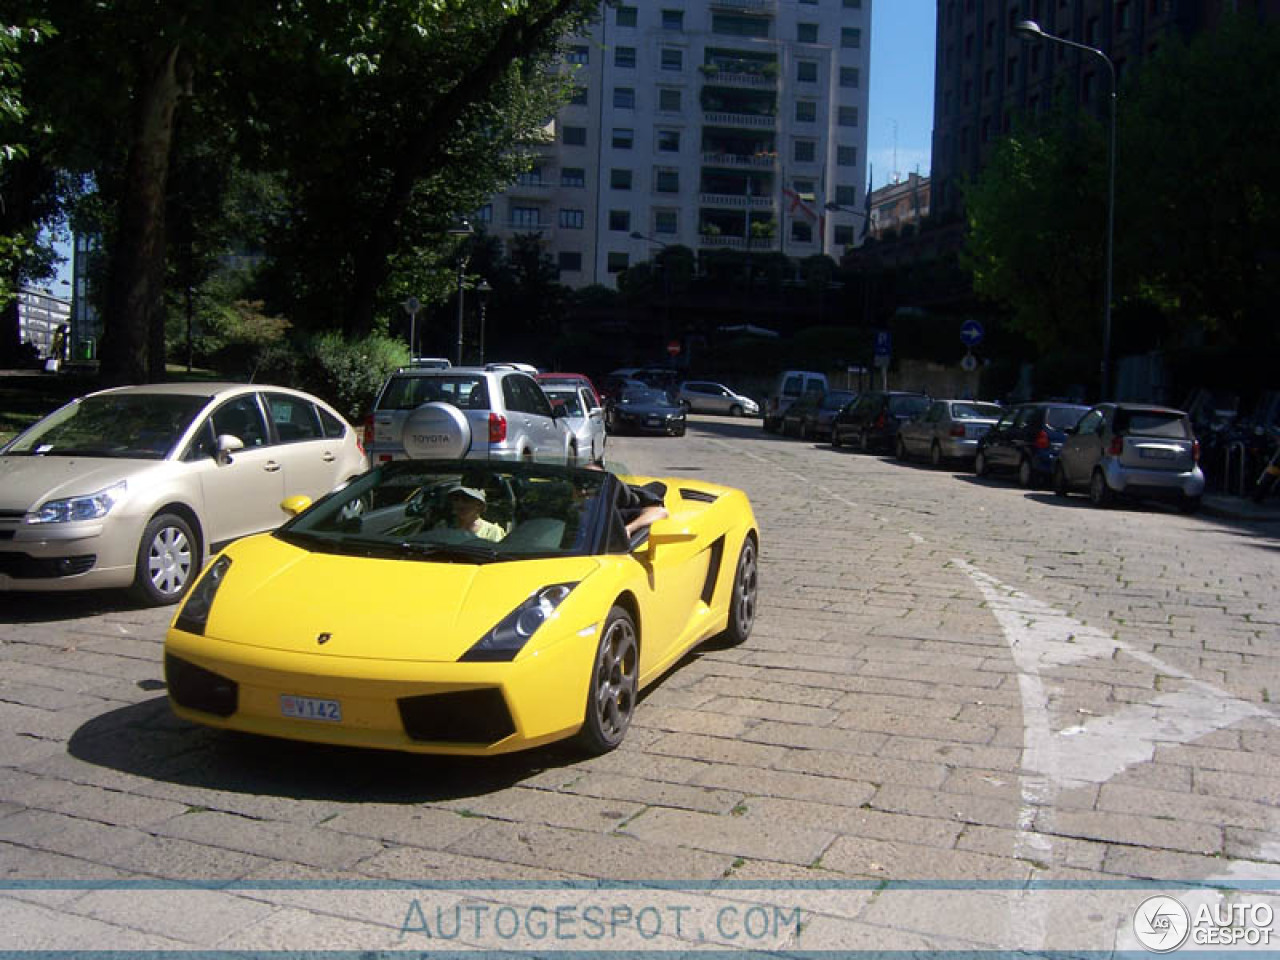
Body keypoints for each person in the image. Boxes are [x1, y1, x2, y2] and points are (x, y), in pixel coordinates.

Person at [439, 484, 504, 542]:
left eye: (466, 499)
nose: (459, 503)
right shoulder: (443, 527)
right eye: (456, 499)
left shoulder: (493, 531)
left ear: (480, 505)